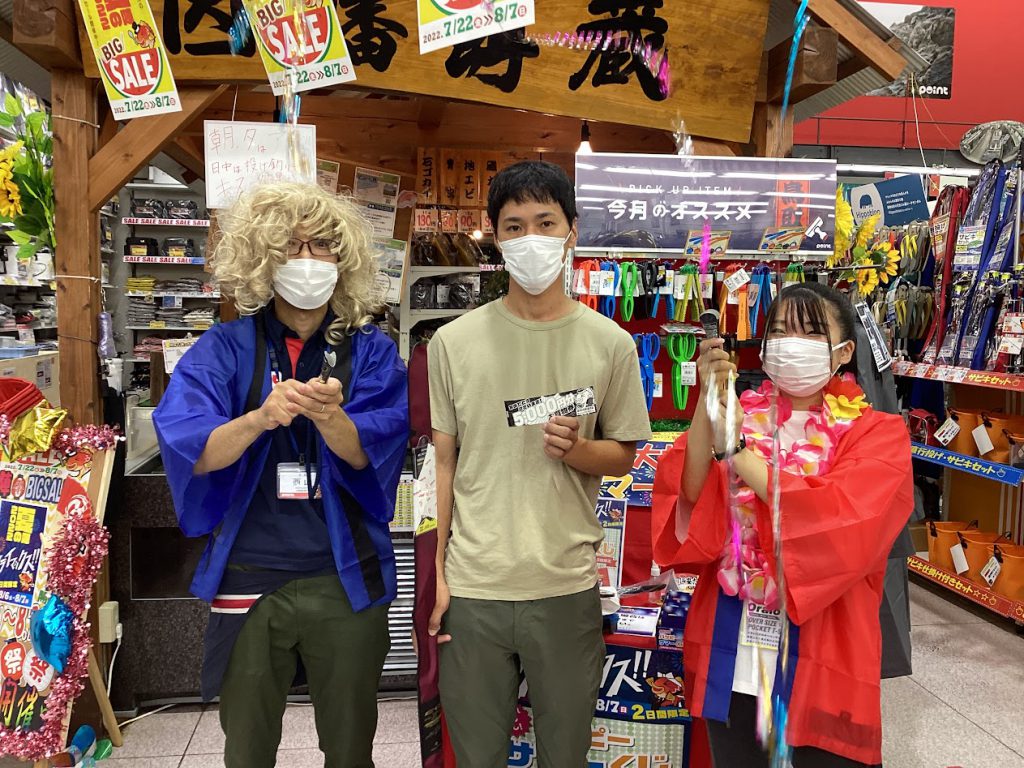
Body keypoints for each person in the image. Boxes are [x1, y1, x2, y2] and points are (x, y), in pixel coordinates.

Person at [153, 182, 408, 768]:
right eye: (293, 246)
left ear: (343, 259)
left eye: (322, 246)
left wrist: (332, 417)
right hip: (250, 572)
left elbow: (375, 450)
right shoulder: (224, 348)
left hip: (343, 574)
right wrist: (261, 417)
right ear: (263, 257)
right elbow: (193, 448)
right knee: (247, 746)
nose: (309, 259)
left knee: (351, 747)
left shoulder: (370, 352)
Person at [427, 160, 652, 766]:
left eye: (545, 222)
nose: (531, 238)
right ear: (497, 239)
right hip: (474, 588)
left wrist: (578, 451)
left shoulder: (611, 343)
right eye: (514, 226)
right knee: (476, 756)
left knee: (565, 754)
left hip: (565, 586)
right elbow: (442, 465)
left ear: (571, 231)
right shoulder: (452, 343)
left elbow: (624, 454)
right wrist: (439, 574)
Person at [651, 282, 913, 768]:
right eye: (780, 330)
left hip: (826, 653)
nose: (792, 343)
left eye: (810, 332)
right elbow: (689, 495)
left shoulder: (878, 434)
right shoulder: (743, 414)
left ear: (844, 351)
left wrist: (737, 453)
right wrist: (709, 404)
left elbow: (837, 521)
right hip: (736, 652)